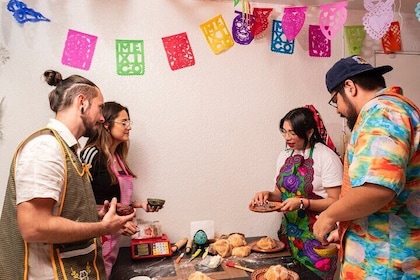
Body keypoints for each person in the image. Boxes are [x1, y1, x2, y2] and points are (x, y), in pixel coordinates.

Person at [0, 70, 136, 280]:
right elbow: (34, 227)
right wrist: (102, 228)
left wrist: (95, 214)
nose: (102, 118)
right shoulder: (45, 148)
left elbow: (61, 211)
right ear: (82, 102)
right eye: (100, 108)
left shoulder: (69, 150)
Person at [313, 55, 420, 279]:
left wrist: (329, 216)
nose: (338, 110)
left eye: (335, 100)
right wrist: (348, 228)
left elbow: (377, 188)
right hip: (384, 252)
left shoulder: (381, 112)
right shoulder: (393, 109)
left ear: (349, 87)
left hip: (386, 265)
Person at [250, 107, 343, 279]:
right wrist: (268, 195)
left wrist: (302, 203)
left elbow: (337, 201)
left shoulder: (326, 157)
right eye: (284, 132)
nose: (287, 138)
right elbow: (280, 193)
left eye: (293, 133)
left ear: (309, 131)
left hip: (318, 239)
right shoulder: (284, 155)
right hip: (288, 239)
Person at [81, 101, 162, 278]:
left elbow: (112, 199)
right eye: (124, 122)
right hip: (95, 240)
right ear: (107, 124)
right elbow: (80, 204)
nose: (129, 127)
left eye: (129, 122)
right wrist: (117, 224)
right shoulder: (91, 154)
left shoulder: (117, 158)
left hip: (112, 243)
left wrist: (140, 205)